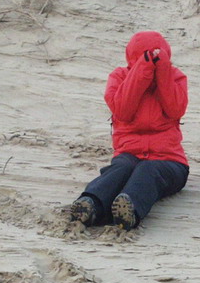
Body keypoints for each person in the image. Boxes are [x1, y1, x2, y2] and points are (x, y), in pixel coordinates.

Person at [70, 31, 189, 230]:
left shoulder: (175, 77)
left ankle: (129, 210)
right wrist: (140, 73)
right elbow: (123, 111)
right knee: (121, 169)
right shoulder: (119, 77)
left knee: (148, 170)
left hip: (170, 161)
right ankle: (91, 204)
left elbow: (175, 108)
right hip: (129, 154)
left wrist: (162, 73)